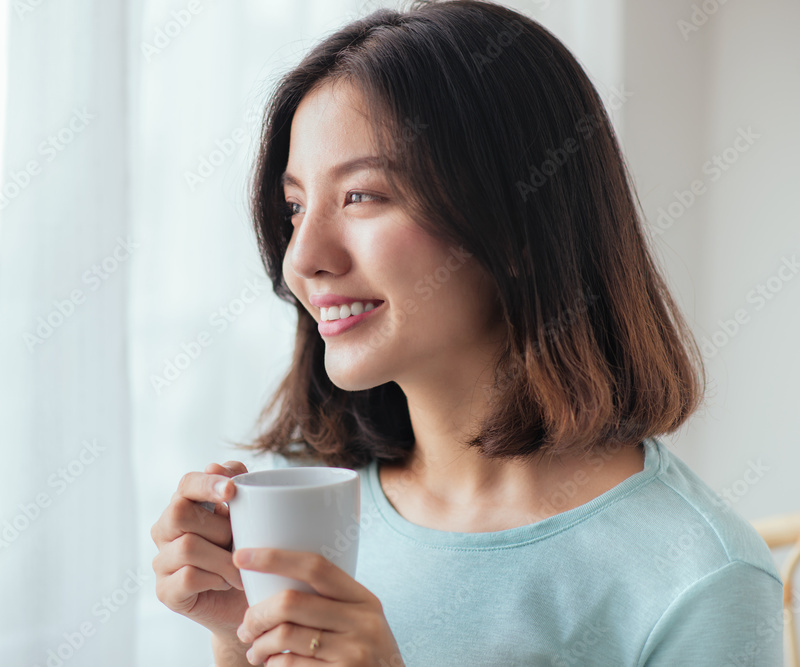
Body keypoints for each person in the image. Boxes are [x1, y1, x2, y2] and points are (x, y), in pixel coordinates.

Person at [151, 1, 784, 665]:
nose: (301, 258)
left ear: (517, 225)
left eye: (361, 195)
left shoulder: (699, 577)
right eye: (294, 207)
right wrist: (236, 634)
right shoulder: (313, 515)